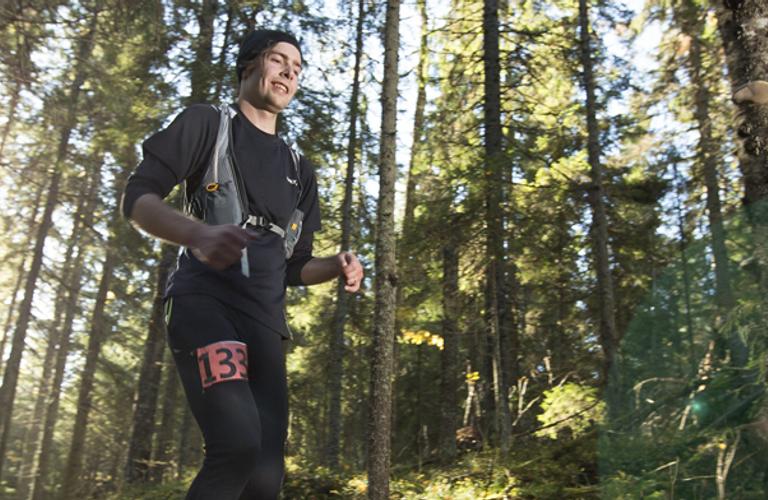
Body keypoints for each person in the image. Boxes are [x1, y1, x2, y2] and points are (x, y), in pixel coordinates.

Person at [121, 29, 363, 499]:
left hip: (265, 325)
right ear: (249, 65)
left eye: (297, 68)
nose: (289, 72)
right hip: (204, 305)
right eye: (278, 60)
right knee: (235, 446)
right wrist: (198, 233)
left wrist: (336, 265)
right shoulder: (207, 124)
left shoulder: (299, 168)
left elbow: (295, 266)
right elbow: (137, 199)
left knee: (265, 478)